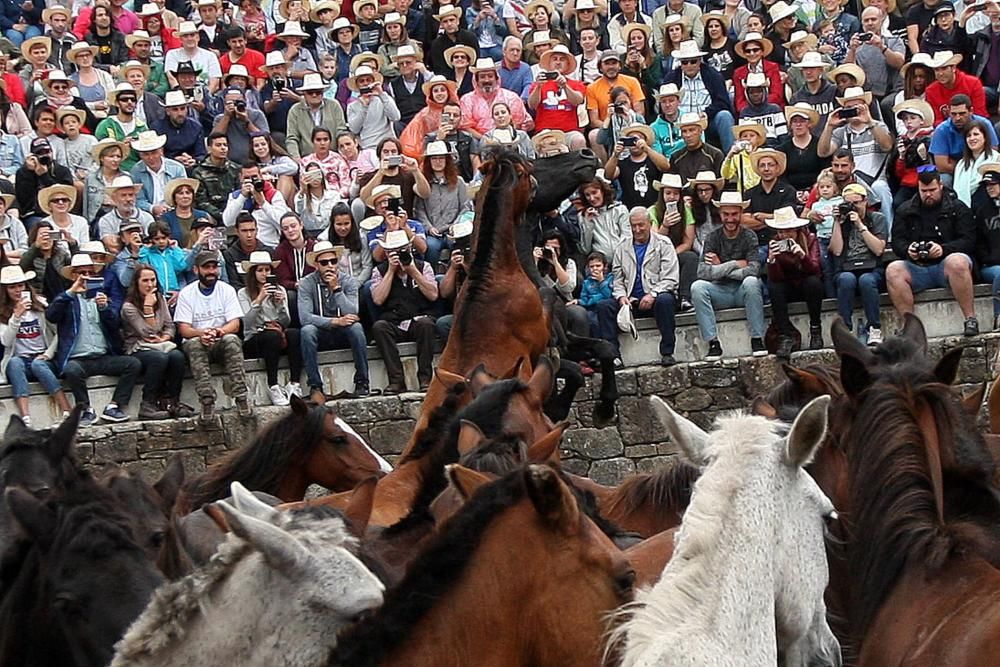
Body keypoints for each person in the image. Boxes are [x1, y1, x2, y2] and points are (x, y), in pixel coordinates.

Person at [47, 253, 141, 425]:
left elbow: (114, 326)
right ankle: (85, 409)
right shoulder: (66, 298)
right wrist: (70, 292)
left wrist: (105, 308)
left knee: (132, 364)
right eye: (82, 273)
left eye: (91, 273)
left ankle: (114, 406)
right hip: (78, 358)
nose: (87, 277)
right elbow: (51, 315)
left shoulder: (101, 297)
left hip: (103, 355)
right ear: (74, 275)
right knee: (71, 369)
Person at [886, 169, 980, 335]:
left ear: (941, 186)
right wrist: (908, 250)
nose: (928, 194)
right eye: (924, 191)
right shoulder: (905, 210)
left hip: (946, 264)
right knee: (893, 270)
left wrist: (944, 249)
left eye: (932, 190)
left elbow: (970, 240)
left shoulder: (957, 207)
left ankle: (970, 319)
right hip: (917, 266)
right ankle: (910, 327)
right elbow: (897, 242)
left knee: (958, 262)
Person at [174, 250, 252, 421]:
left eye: (214, 267)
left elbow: (235, 323)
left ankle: (241, 397)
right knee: (194, 343)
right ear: (196, 270)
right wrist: (202, 334)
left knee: (232, 339)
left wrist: (219, 331)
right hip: (197, 341)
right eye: (206, 267)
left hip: (221, 338)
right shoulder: (187, 293)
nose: (211, 271)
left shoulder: (227, 290)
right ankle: (207, 400)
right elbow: (184, 329)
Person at [596, 206, 679, 365]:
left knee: (666, 301)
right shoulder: (622, 247)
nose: (637, 229)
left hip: (656, 297)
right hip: (631, 299)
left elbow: (671, 278)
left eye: (641, 225)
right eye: (633, 225)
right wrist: (621, 296)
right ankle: (613, 356)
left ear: (649, 223)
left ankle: (667, 352)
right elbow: (617, 279)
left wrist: (653, 294)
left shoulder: (664, 244)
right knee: (603, 307)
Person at [690, 191, 766, 361]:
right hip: (719, 291)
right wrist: (735, 264)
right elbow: (702, 272)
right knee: (697, 287)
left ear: (740, 214)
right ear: (720, 214)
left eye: (734, 214)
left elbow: (754, 269)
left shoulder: (749, 236)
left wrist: (719, 266)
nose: (730, 218)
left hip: (742, 291)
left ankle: (757, 339)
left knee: (752, 282)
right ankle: (713, 342)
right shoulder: (712, 238)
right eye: (726, 214)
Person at [298, 241, 370, 400]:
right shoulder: (306, 283)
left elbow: (352, 312)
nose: (330, 266)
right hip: (321, 332)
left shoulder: (348, 281)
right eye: (324, 262)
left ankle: (362, 382)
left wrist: (337, 289)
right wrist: (334, 322)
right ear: (316, 265)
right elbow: (305, 317)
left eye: (333, 261)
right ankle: (315, 386)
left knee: (357, 328)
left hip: (343, 333)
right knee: (307, 331)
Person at [0, 265, 71, 426]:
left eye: (20, 285)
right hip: (20, 360)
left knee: (39, 365)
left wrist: (48, 354)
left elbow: (59, 332)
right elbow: (6, 341)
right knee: (15, 363)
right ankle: (25, 418)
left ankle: (66, 409)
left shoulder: (40, 305)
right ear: (5, 290)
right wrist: (16, 317)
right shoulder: (3, 311)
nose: (17, 290)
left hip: (43, 358)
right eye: (12, 287)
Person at [120, 264, 194, 419]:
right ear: (137, 283)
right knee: (158, 358)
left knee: (177, 357)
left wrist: (165, 337)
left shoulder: (159, 299)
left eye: (153, 280)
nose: (150, 284)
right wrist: (147, 308)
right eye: (145, 281)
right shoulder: (128, 307)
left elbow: (169, 326)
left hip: (161, 343)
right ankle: (148, 403)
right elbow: (148, 331)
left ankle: (172, 400)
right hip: (137, 347)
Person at [370, 229, 438, 393]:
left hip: (418, 318)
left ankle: (425, 378)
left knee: (426, 324)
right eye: (393, 251)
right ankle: (396, 380)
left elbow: (433, 295)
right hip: (394, 320)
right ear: (386, 253)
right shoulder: (379, 271)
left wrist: (412, 271)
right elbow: (378, 299)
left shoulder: (423, 267)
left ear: (409, 249)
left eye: (402, 250)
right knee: (379, 327)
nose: (399, 255)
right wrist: (391, 272)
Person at [237, 251, 303, 406]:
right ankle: (273, 385)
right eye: (260, 270)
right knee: (271, 337)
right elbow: (247, 323)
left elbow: (286, 321)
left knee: (295, 334)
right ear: (253, 273)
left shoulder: (279, 290)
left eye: (267, 270)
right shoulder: (243, 293)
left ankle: (294, 384)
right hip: (255, 337)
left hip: (278, 333)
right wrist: (259, 300)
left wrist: (280, 305)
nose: (264, 274)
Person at [829, 183, 888, 345]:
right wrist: (836, 223)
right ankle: (845, 330)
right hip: (846, 266)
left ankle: (874, 329)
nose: (853, 208)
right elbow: (837, 251)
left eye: (856, 203)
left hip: (871, 266)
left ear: (865, 201)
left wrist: (860, 225)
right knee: (846, 279)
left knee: (866, 281)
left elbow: (878, 250)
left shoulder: (877, 219)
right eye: (849, 204)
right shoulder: (842, 221)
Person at [765, 207, 825, 359]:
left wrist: (802, 255)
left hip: (807, 283)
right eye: (780, 232)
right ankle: (785, 336)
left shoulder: (810, 239)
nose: (784, 235)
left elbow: (816, 270)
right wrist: (772, 260)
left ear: (796, 230)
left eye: (788, 231)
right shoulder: (775, 243)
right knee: (774, 287)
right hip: (786, 286)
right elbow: (776, 278)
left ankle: (816, 329)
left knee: (813, 282)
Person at [662, 41, 736, 153]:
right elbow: (664, 103)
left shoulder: (713, 75)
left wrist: (707, 113)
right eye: (685, 62)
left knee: (724, 116)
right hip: (681, 123)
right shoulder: (672, 77)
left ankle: (732, 157)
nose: (689, 65)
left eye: (693, 61)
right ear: (680, 63)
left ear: (699, 61)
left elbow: (723, 102)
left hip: (707, 121)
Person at [526, 44, 587, 148]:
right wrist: (538, 87)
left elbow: (577, 101)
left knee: (579, 139)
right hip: (545, 132)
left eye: (562, 59)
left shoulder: (576, 84)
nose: (558, 62)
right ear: (550, 63)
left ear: (567, 64)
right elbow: (532, 105)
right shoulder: (538, 84)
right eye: (555, 59)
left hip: (569, 132)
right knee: (546, 142)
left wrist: (565, 86)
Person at [221, 161, 290, 248]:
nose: (251, 181)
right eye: (247, 178)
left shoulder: (273, 194)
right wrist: (242, 197)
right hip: (244, 248)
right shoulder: (235, 196)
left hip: (269, 246)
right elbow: (228, 221)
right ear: (240, 178)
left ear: (261, 176)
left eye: (254, 177)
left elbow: (283, 221)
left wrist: (263, 203)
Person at [778, 102, 829, 199]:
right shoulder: (782, 149)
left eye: (802, 121)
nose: (798, 124)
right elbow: (781, 176)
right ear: (790, 125)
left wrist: (813, 191)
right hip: (790, 195)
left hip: (818, 193)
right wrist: (793, 193)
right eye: (795, 121)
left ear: (809, 123)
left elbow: (825, 171)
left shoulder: (819, 145)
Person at [925, 50, 987, 123]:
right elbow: (936, 120)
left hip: (973, 127)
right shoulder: (931, 91)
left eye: (944, 68)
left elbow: (979, 114)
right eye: (936, 70)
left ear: (953, 68)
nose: (940, 73)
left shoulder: (973, 83)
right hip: (946, 130)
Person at [193, 132, 243, 224]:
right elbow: (201, 202)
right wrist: (221, 215)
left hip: (234, 212)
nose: (223, 148)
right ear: (209, 148)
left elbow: (239, 193)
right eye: (218, 145)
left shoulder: (235, 168)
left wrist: (231, 213)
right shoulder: (199, 172)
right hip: (211, 215)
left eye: (225, 145)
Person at [96, 175, 154, 253]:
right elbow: (112, 246)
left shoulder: (147, 217)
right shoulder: (106, 220)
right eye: (123, 195)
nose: (128, 199)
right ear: (114, 198)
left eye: (131, 195)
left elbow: (152, 242)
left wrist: (122, 239)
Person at [578, 177, 630, 260]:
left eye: (594, 193)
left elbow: (627, 238)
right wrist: (588, 223)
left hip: (623, 260)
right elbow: (585, 249)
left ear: (603, 191)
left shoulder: (620, 210)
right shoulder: (583, 216)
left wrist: (619, 258)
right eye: (587, 195)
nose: (592, 198)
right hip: (600, 265)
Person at [974, 165, 1000, 331]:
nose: (989, 188)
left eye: (993, 184)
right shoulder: (982, 211)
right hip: (990, 266)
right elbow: (978, 244)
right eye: (987, 186)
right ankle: (998, 316)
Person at [953, 119, 998, 208]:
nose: (972, 138)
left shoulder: (996, 158)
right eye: (968, 136)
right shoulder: (961, 164)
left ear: (985, 137)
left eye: (976, 134)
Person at [670, 112, 724, 186]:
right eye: (684, 131)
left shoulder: (715, 155)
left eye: (692, 130)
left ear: (700, 131)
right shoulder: (676, 157)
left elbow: (720, 183)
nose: (688, 135)